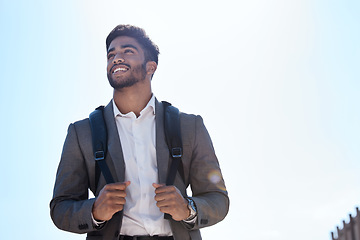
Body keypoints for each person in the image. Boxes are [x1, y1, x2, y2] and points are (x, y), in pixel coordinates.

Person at [50, 24, 229, 240]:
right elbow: (61, 207)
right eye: (111, 54)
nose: (116, 58)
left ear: (150, 67)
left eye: (128, 51)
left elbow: (218, 199)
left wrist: (187, 208)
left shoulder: (190, 127)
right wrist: (95, 211)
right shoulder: (81, 133)